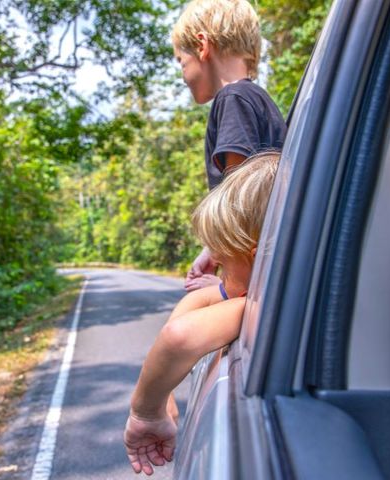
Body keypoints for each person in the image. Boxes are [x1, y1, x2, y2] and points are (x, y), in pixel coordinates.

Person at [124, 152, 280, 476]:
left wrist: (146, 412)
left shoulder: (260, 307)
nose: (217, 270)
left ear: (259, 260)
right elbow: (202, 299)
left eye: (223, 262)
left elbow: (179, 337)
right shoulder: (265, 294)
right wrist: (163, 387)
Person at [172, 0, 287, 292]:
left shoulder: (233, 99)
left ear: (202, 46)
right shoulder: (256, 99)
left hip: (247, 277)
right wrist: (210, 251)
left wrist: (223, 286)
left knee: (178, 332)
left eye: (180, 61)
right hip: (259, 269)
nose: (182, 73)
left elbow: (239, 208)